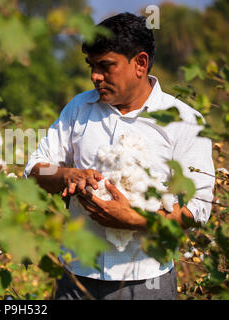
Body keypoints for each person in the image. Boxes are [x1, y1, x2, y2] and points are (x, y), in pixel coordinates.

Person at [24, 12, 215, 300]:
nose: (95, 76)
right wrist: (67, 175)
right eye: (91, 66)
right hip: (76, 279)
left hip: (146, 282)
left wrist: (135, 220)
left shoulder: (184, 122)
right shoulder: (79, 109)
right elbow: (36, 169)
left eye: (106, 66)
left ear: (140, 63)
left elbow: (198, 209)